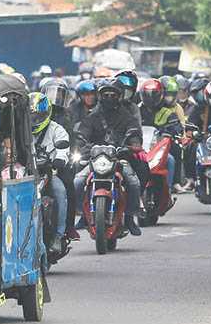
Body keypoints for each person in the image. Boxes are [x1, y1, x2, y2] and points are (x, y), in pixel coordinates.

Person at [74, 79, 143, 236]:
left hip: (119, 159)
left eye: (113, 95)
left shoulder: (126, 116)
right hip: (95, 160)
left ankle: (130, 217)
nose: (109, 98)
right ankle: (85, 216)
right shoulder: (92, 117)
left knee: (133, 182)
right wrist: (81, 145)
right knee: (77, 182)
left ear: (118, 97)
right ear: (100, 96)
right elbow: (81, 134)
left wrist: (132, 144)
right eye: (106, 94)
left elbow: (134, 132)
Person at [30, 92, 69, 253]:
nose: (35, 120)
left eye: (38, 116)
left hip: (50, 173)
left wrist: (59, 160)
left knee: (60, 192)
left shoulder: (57, 129)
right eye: (31, 117)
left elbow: (64, 149)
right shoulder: (22, 130)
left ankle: (59, 236)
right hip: (28, 174)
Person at [140, 79, 185, 193]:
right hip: (140, 147)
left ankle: (168, 188)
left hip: (159, 146)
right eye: (147, 95)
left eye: (153, 95)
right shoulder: (137, 110)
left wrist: (169, 132)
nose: (150, 98)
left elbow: (177, 126)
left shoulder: (167, 111)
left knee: (170, 159)